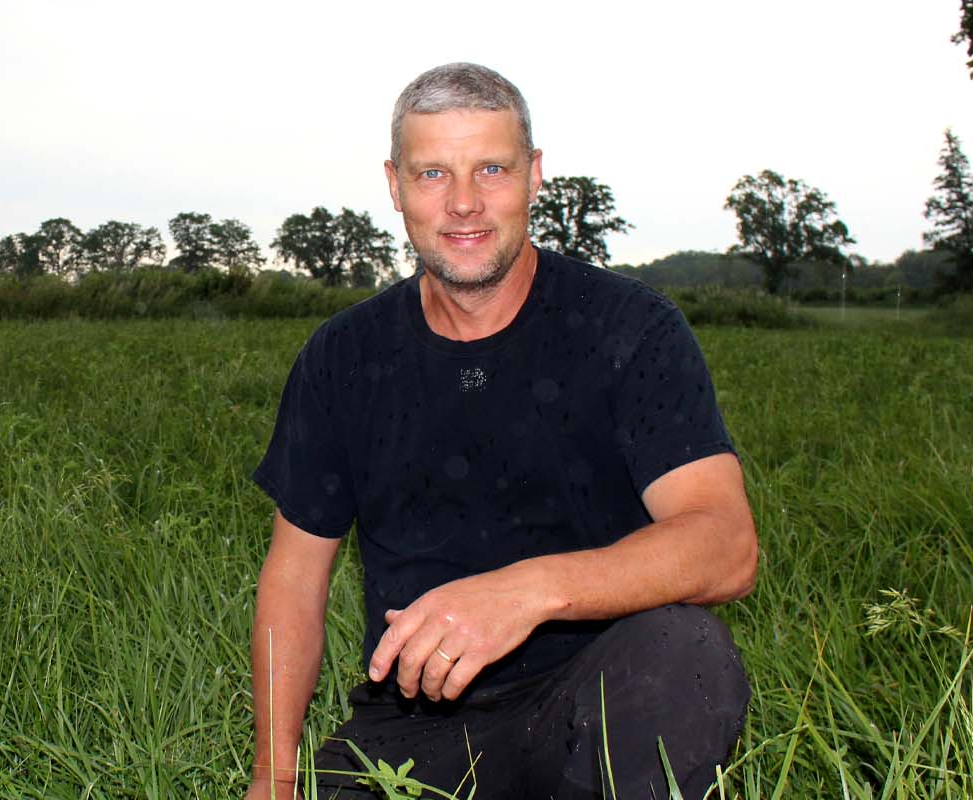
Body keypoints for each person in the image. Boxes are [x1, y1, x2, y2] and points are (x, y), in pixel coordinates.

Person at [245, 62, 758, 800]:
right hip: (413, 723)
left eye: (491, 168)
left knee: (686, 651)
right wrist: (274, 776)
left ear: (535, 176)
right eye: (431, 174)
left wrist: (527, 592)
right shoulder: (344, 356)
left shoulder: (630, 328)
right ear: (394, 185)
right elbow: (295, 577)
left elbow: (725, 544)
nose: (463, 203)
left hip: (594, 697)